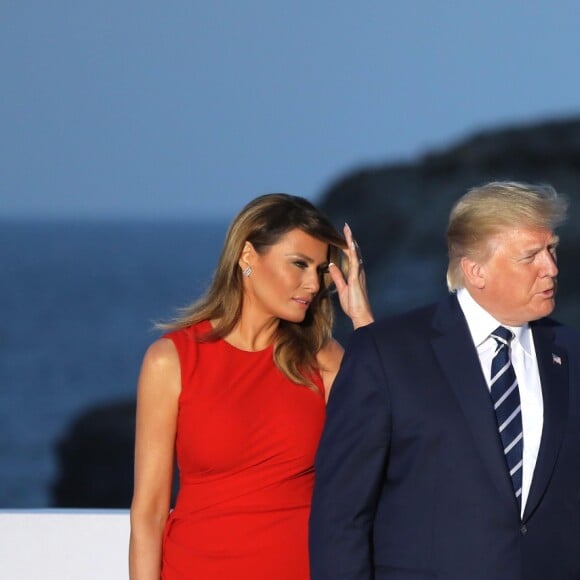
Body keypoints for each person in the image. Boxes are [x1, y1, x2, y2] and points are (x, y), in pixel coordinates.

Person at [309, 181, 580, 580]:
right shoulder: (387, 355)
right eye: (531, 256)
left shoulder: (572, 352)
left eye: (552, 249)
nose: (552, 268)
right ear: (476, 271)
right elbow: (341, 516)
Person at [129, 193, 373, 579]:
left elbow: (395, 419)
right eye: (299, 264)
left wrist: (362, 318)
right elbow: (149, 513)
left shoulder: (323, 360)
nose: (312, 283)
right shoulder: (171, 361)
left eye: (321, 269)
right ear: (247, 256)